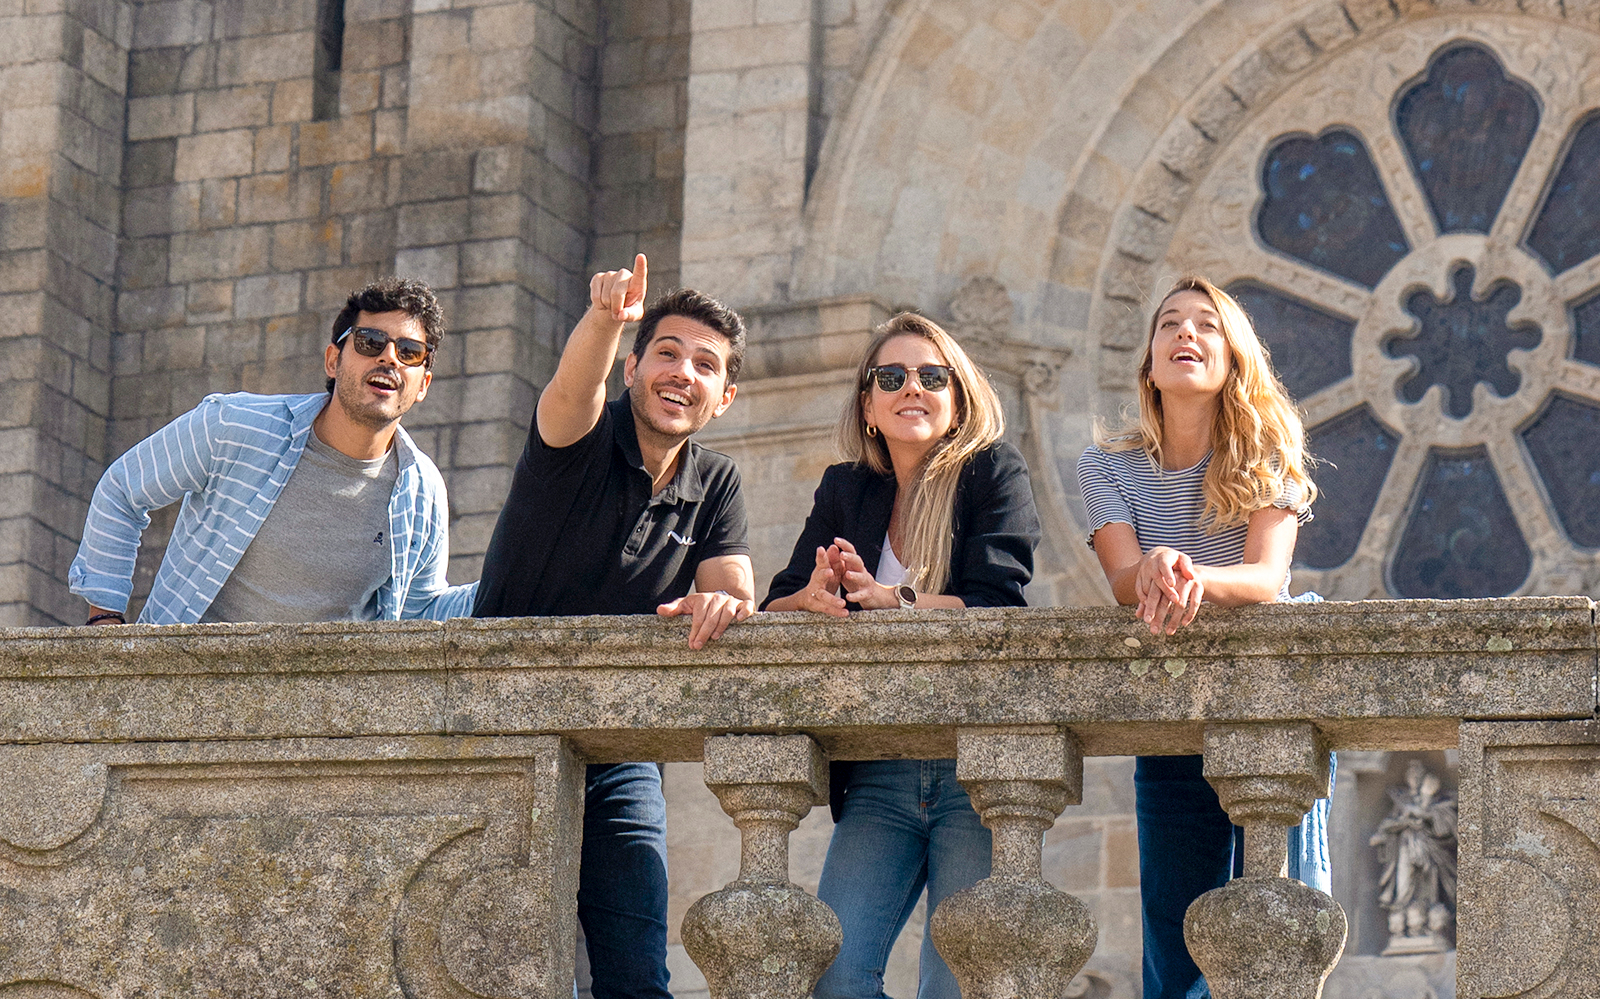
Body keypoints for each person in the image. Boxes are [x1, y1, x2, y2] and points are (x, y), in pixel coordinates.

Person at [471, 254, 755, 999]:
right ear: (634, 367)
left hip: (620, 746)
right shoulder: (581, 437)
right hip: (500, 726)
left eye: (705, 364)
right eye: (666, 352)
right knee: (505, 968)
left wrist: (721, 602)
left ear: (724, 396)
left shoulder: (715, 480)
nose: (682, 373)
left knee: (636, 974)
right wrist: (604, 318)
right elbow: (573, 387)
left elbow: (732, 583)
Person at [763, 312, 1040, 999]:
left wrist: (898, 601)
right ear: (868, 403)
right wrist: (818, 599)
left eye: (931, 375)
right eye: (891, 376)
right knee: (834, 974)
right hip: (880, 769)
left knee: (953, 987)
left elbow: (999, 606)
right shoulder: (845, 488)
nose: (911, 387)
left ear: (957, 397)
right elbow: (774, 603)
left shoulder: (992, 473)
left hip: (972, 768)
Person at [1077, 276, 1328, 999]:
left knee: (1286, 932)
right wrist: (1153, 564)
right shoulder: (1107, 466)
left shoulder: (1269, 453)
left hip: (1273, 701)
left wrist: (1185, 572)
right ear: (1149, 363)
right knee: (1176, 943)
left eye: (1207, 325)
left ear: (1233, 357)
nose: (1186, 333)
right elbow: (1124, 578)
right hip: (1171, 717)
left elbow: (1264, 578)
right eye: (1169, 324)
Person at [68, 277, 475, 625]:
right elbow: (122, 490)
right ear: (333, 360)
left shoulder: (422, 492)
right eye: (370, 342)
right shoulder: (234, 426)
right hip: (182, 691)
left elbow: (419, 614)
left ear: (423, 385)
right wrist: (105, 620)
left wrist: (524, 578)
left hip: (321, 710)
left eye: (410, 353)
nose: (389, 357)